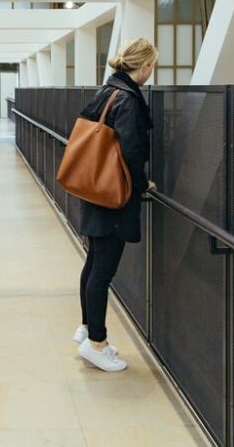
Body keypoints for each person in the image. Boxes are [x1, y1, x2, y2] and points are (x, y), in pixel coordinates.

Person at [73, 38, 157, 372]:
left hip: (94, 186)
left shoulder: (106, 92)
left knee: (93, 262)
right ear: (145, 65)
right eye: (152, 65)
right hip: (114, 194)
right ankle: (97, 343)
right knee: (103, 270)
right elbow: (132, 151)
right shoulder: (129, 101)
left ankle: (86, 329)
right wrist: (142, 184)